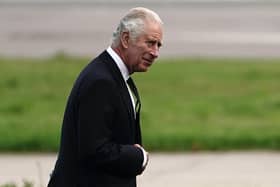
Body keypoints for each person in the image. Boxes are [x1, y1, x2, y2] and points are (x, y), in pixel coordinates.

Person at [48, 7, 163, 187]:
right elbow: (93, 150)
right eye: (150, 43)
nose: (155, 53)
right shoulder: (101, 81)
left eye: (158, 45)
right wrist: (137, 157)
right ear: (126, 39)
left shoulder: (113, 74)